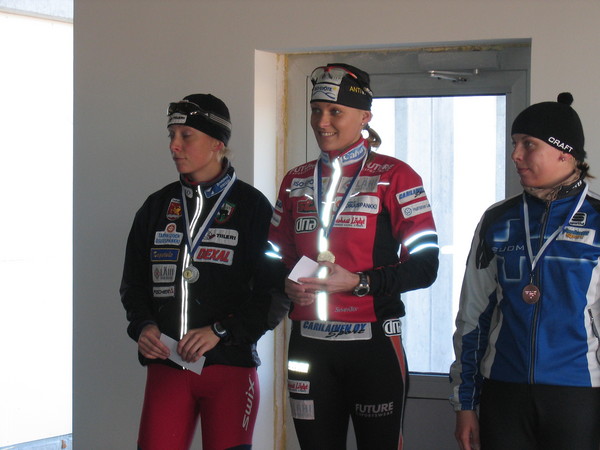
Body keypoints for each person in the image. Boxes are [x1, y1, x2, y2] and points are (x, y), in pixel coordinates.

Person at [268, 63, 439, 449]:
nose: (321, 122)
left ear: (364, 117)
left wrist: (360, 283)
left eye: (335, 111)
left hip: (373, 344)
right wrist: (284, 281)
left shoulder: (395, 176)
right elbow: (272, 255)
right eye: (316, 110)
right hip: (309, 344)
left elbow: (426, 266)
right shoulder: (295, 180)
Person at [120, 93, 283, 450]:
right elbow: (133, 285)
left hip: (230, 369)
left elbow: (274, 295)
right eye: (171, 135)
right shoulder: (156, 206)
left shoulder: (253, 207)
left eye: (186, 135)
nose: (174, 145)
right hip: (168, 368)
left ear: (217, 144)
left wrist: (221, 331)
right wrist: (143, 325)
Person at [450, 93, 600, 450]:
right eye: (515, 144)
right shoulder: (497, 219)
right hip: (504, 391)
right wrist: (465, 402)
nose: (516, 155)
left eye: (528, 144)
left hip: (579, 393)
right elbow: (473, 316)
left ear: (564, 152)